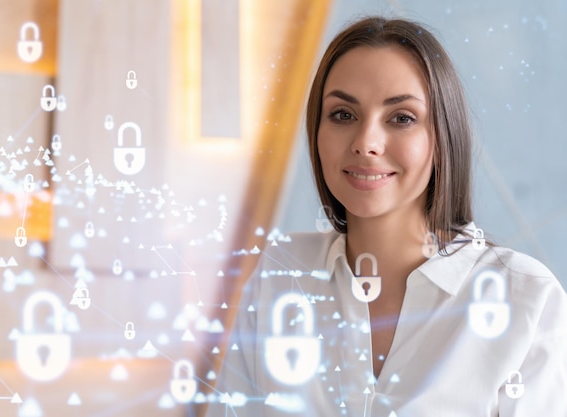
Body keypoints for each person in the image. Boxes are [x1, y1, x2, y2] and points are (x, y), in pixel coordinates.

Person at [206, 16, 567, 416]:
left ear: (443, 135)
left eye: (401, 118)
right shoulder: (280, 273)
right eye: (343, 114)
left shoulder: (527, 300)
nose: (366, 143)